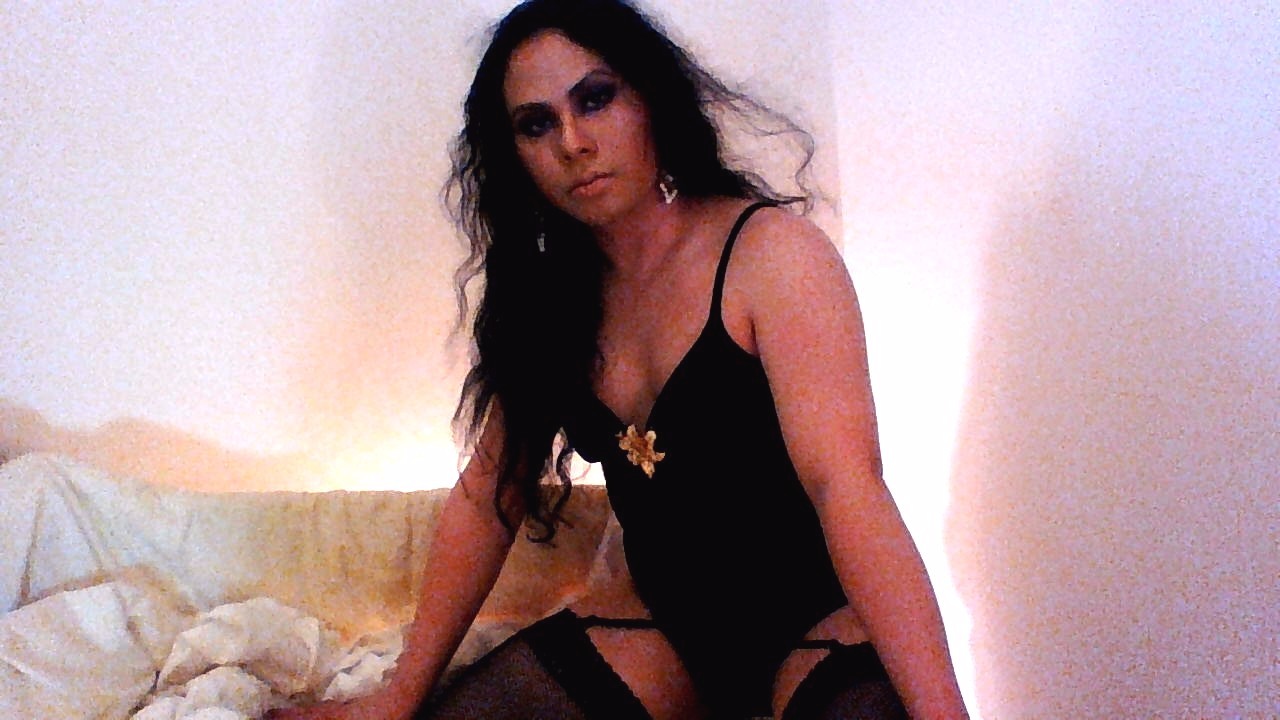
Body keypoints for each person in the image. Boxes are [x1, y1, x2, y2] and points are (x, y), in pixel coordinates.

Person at [271, 0, 968, 717]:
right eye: (536, 124)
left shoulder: (772, 257)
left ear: (651, 99)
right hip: (665, 629)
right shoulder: (549, 297)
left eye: (595, 99)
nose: (572, 142)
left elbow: (847, 488)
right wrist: (401, 693)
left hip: (815, 625)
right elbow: (490, 493)